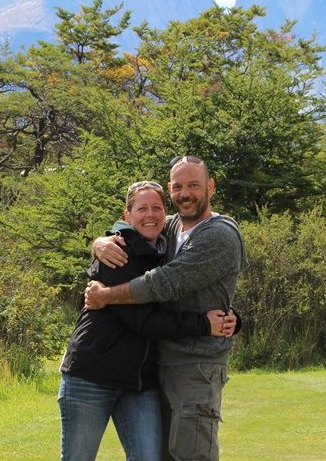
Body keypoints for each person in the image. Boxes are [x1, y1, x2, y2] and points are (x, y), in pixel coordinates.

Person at [59, 180, 237, 461]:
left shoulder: (165, 249)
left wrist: (232, 318)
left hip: (140, 383)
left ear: (166, 215)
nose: (150, 214)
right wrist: (204, 324)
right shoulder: (117, 253)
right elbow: (146, 321)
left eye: (157, 207)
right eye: (142, 209)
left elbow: (188, 291)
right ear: (127, 216)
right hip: (92, 375)